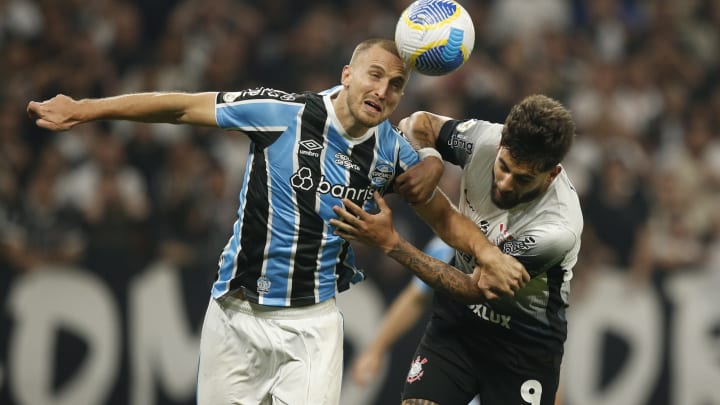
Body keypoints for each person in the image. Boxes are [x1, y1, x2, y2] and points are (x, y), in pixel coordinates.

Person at [27, 38, 528, 405]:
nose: (384, 90)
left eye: (397, 85)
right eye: (375, 74)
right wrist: (85, 110)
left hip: (311, 325)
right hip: (234, 315)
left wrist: (487, 254)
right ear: (348, 74)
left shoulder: (390, 153)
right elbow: (182, 107)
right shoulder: (282, 113)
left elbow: (444, 219)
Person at [332, 93, 582, 405]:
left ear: (552, 174)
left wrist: (392, 244)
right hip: (457, 328)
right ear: (501, 141)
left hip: (524, 349)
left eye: (523, 179)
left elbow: (473, 288)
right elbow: (417, 123)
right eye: (503, 166)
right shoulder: (482, 140)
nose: (505, 183)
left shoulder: (557, 229)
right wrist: (431, 158)